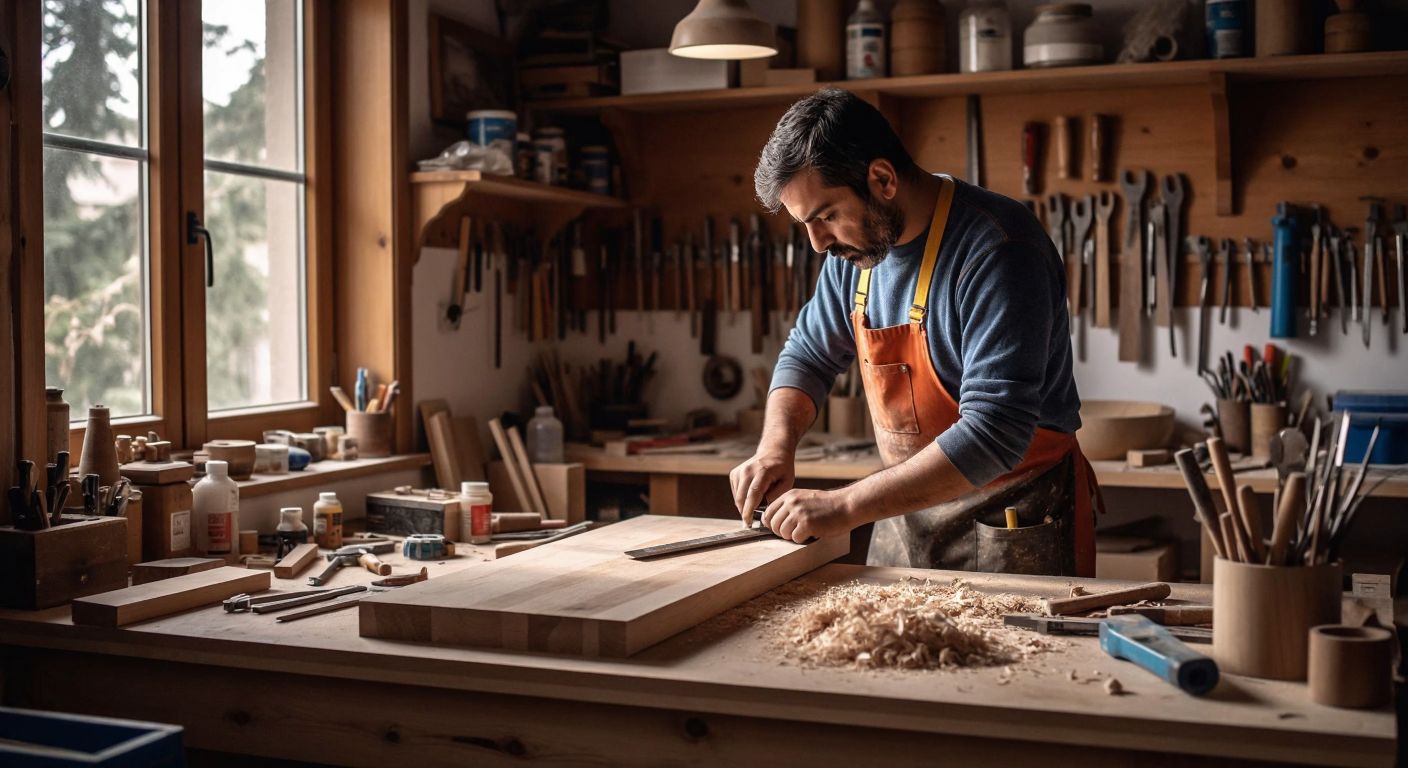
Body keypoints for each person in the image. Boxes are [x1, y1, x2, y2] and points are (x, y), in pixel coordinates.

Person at [729, 88, 1100, 575]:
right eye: (806, 224)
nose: (818, 243)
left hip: (1016, 516)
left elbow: (996, 432)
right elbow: (809, 354)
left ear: (882, 179)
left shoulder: (1001, 248)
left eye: (825, 216)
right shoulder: (857, 253)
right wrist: (775, 448)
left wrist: (843, 507)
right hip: (905, 513)